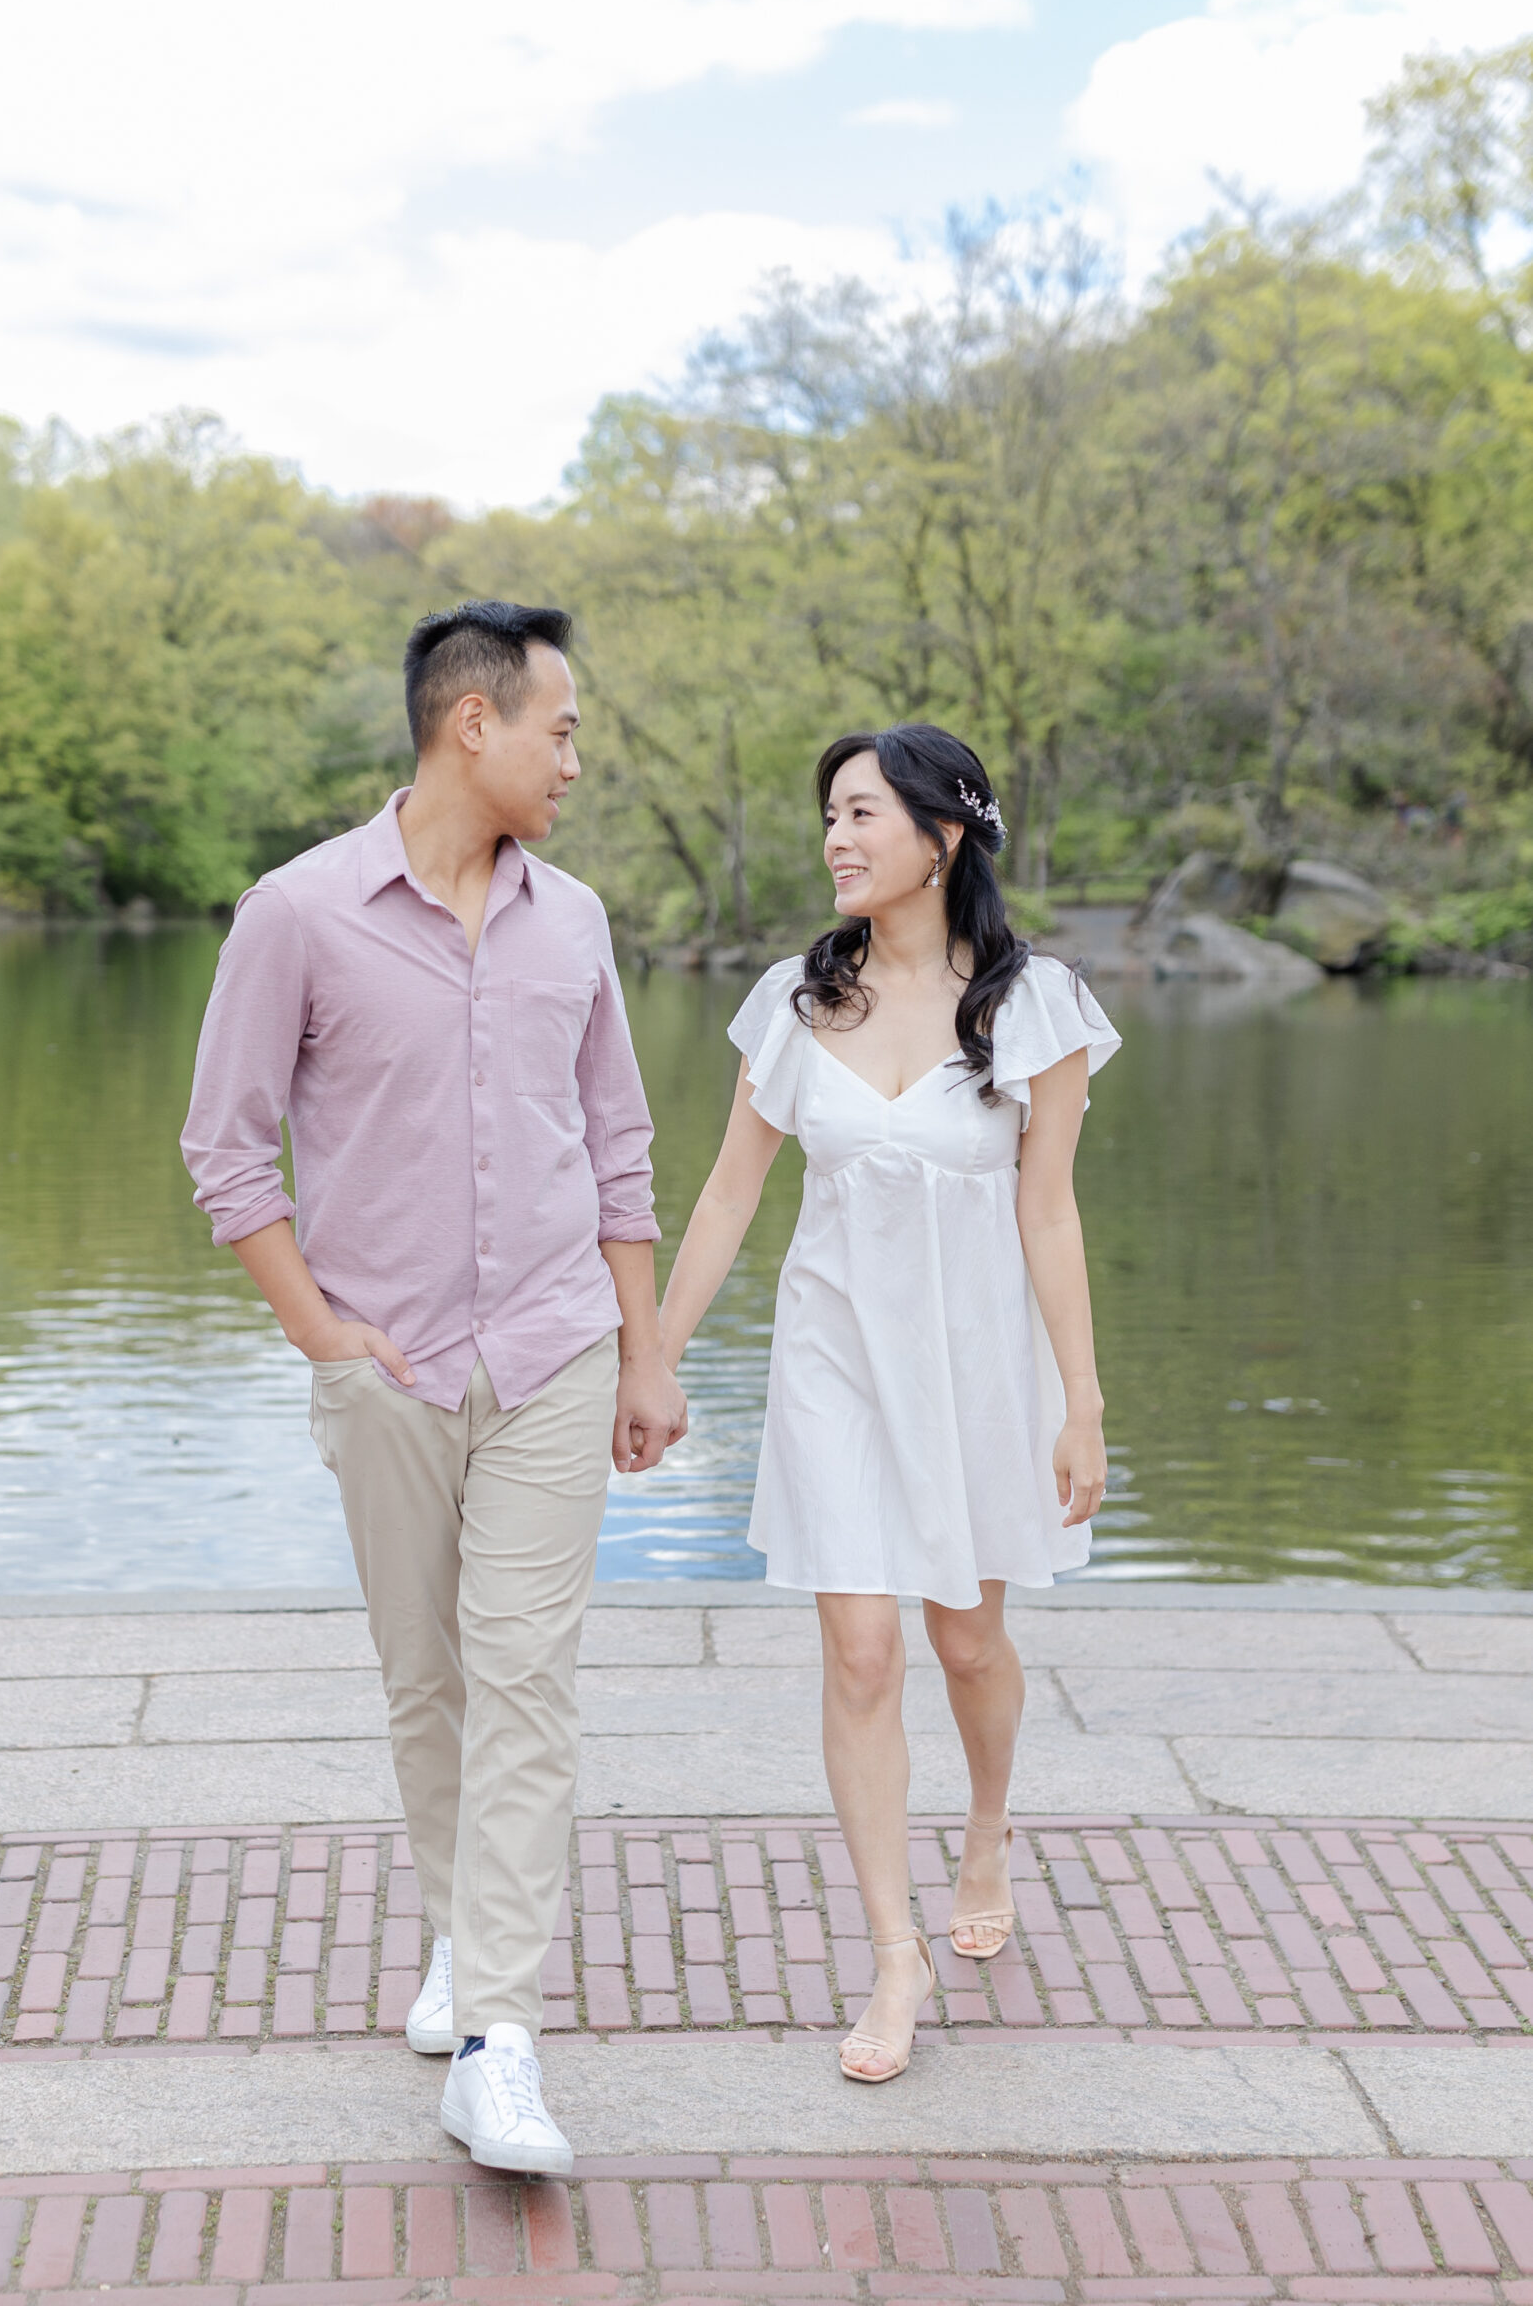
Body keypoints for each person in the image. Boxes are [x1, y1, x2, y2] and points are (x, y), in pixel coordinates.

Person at [181, 599, 687, 2175]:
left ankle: (499, 2042)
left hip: (552, 1347)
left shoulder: (578, 921)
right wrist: (323, 1337)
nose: (577, 761)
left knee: (527, 1679)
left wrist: (644, 1343)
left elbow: (617, 1144)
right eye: (565, 728)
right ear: (474, 724)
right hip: (385, 1357)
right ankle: (466, 1943)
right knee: (431, 1683)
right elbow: (224, 1148)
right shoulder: (299, 913)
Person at [658, 722, 1118, 2084]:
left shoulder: (1036, 1009)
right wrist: (657, 1355)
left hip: (977, 1364)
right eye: (828, 817)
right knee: (860, 1651)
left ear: (946, 832)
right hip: (832, 1363)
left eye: (863, 814)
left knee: (966, 1641)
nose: (837, 840)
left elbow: (1050, 1216)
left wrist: (1080, 1402)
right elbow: (729, 1192)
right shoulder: (794, 1004)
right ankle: (892, 1953)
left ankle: (986, 1824)